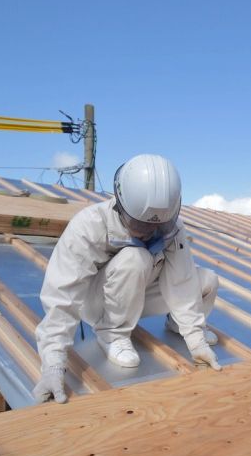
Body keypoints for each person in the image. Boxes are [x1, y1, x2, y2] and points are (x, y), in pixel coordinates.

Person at [32, 154, 221, 404]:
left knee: (207, 279)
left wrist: (195, 341)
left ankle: (176, 325)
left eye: (159, 226)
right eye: (139, 224)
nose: (150, 232)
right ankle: (112, 335)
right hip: (99, 304)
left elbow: (182, 282)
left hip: (139, 294)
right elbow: (62, 298)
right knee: (136, 257)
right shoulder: (89, 226)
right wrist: (53, 364)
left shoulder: (173, 228)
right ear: (120, 205)